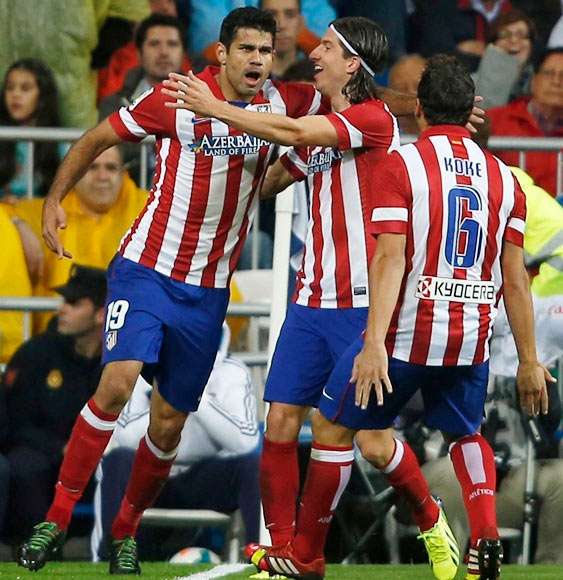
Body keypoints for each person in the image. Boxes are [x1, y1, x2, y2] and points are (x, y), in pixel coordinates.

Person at [17, 7, 328, 575]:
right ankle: (55, 520)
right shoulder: (177, 98)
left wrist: (428, 106)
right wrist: (54, 197)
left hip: (208, 291)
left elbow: (354, 107)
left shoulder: (287, 103)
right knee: (117, 380)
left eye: (266, 49)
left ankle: (125, 532)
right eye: (247, 50)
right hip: (146, 269)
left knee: (168, 423)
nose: (258, 59)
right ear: (223, 54)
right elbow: (98, 136)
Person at [163, 18, 463, 580]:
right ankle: (285, 554)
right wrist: (217, 156)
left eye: (325, 46)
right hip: (311, 299)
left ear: (352, 64)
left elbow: (298, 138)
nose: (313, 54)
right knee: (279, 425)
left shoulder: (370, 120)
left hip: (363, 305)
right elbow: (277, 174)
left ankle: (421, 521)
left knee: (363, 440)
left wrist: (218, 109)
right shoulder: (322, 123)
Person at [243, 54, 552, 580]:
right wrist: (528, 360)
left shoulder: (402, 164)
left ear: (423, 112)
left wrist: (374, 344)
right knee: (465, 433)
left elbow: (388, 257)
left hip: (411, 332)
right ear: (467, 110)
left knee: (332, 426)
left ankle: (307, 556)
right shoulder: (505, 178)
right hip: (471, 335)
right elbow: (516, 278)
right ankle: (484, 537)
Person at [91, 324, 260, 561]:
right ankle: (107, 559)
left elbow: (245, 442)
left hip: (203, 477)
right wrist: (172, 394)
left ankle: (263, 559)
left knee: (255, 466)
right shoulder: (140, 369)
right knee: (116, 460)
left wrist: (194, 394)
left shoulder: (233, 371)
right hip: (149, 472)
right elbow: (126, 436)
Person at [3, 265, 106, 545]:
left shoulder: (119, 363)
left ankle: (124, 553)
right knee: (24, 466)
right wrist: (60, 447)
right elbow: (15, 424)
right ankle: (36, 552)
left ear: (101, 314)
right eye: (63, 301)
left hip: (99, 459)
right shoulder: (36, 353)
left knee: (125, 465)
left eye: (73, 303)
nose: (61, 309)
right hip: (45, 456)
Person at [14, 146, 148, 332]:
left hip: (129, 333)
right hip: (59, 336)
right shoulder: (45, 211)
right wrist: (17, 223)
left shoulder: (150, 208)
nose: (102, 177)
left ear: (123, 173)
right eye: (92, 168)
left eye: (110, 168)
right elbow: (5, 212)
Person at [487, 47, 563, 197]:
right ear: (534, 80)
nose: (556, 82)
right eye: (549, 74)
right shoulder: (494, 120)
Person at [98, 13, 188, 120]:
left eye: (172, 44)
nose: (164, 52)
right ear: (139, 54)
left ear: (183, 55)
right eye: (154, 44)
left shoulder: (202, 104)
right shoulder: (113, 105)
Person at [0, 59, 61, 203]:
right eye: (10, 88)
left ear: (42, 96)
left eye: (25, 88)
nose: (15, 94)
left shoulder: (61, 145)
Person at [472, 9, 536, 110]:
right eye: (505, 35)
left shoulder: (540, 80)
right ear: (492, 45)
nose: (514, 40)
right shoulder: (471, 84)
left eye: (521, 35)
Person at [388, 53, 427, 136]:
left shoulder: (444, 132)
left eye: (417, 86)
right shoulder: (383, 135)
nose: (411, 92)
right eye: (402, 88)